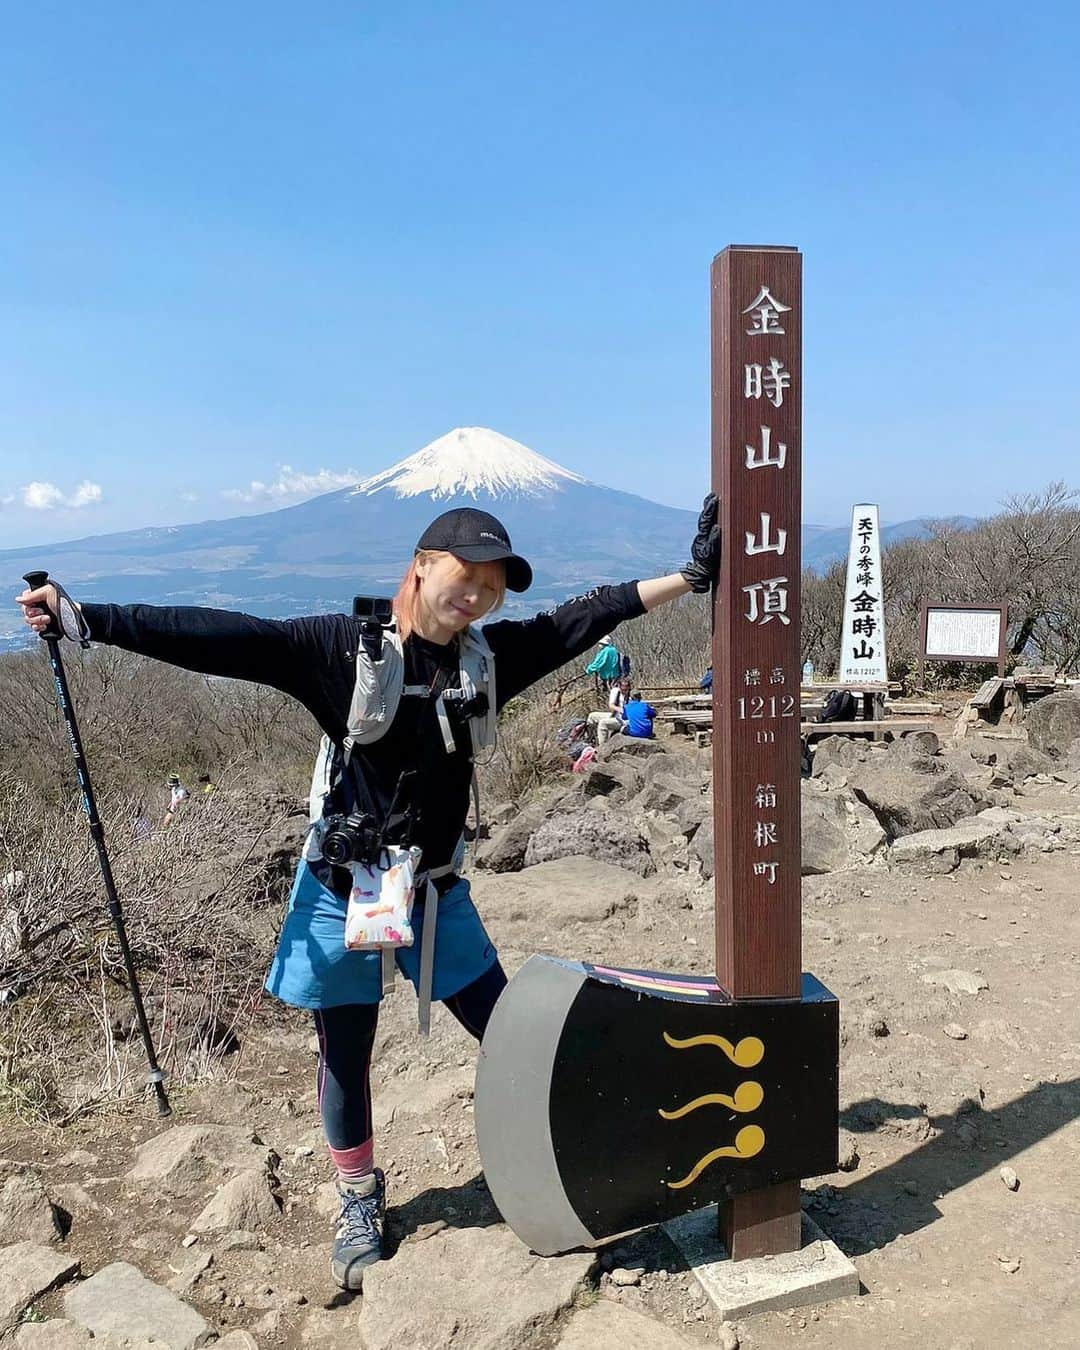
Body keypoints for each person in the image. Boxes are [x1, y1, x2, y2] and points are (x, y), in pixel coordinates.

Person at [16, 495, 719, 1291]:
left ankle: (577, 1157)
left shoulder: (484, 661)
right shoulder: (344, 652)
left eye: (494, 586)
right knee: (345, 1056)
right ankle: (358, 1197)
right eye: (467, 577)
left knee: (510, 1030)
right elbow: (228, 637)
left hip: (435, 890)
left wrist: (690, 579)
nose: (479, 597)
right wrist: (87, 618)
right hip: (345, 888)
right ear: (421, 567)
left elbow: (581, 620)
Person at [587, 675, 628, 745]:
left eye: (626, 689)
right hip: (616, 715)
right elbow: (611, 705)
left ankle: (603, 747)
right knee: (591, 716)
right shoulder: (615, 691)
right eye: (623, 689)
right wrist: (620, 709)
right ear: (619, 686)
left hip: (624, 720)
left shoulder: (631, 696)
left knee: (603, 723)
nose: (624, 691)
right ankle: (591, 739)